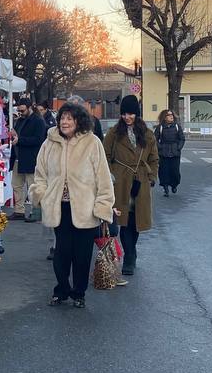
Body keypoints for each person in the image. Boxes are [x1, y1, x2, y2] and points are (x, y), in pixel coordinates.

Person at [30, 102, 115, 307]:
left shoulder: (92, 143)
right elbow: (40, 174)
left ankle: (79, 292)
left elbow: (103, 177)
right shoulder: (49, 143)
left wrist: (103, 204)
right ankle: (62, 289)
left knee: (82, 255)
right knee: (61, 253)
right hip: (60, 207)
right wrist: (41, 195)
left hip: (86, 208)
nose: (64, 122)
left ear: (78, 121)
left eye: (69, 118)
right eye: (62, 118)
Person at [104, 95, 158, 277]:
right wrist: (112, 174)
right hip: (121, 181)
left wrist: (151, 177)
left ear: (137, 114)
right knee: (124, 220)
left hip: (141, 181)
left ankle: (131, 252)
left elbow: (154, 158)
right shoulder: (114, 133)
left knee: (136, 221)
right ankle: (129, 257)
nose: (127, 117)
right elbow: (105, 156)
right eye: (124, 114)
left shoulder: (147, 134)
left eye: (130, 114)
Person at [10, 100, 46, 219]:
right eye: (19, 110)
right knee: (16, 185)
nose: (20, 113)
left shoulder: (38, 121)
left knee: (33, 186)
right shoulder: (20, 120)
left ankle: (36, 212)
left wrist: (19, 140)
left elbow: (38, 140)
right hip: (18, 158)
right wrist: (14, 136)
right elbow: (18, 137)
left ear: (30, 108)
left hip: (31, 158)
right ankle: (19, 210)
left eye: (22, 110)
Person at [154, 109, 185, 195]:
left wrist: (178, 147)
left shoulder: (177, 126)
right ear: (164, 117)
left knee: (175, 171)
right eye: (168, 115)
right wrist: (160, 147)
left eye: (172, 115)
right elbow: (154, 139)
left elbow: (182, 138)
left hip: (175, 153)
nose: (171, 116)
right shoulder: (160, 127)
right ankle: (165, 187)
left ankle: (174, 185)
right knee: (163, 171)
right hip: (163, 153)